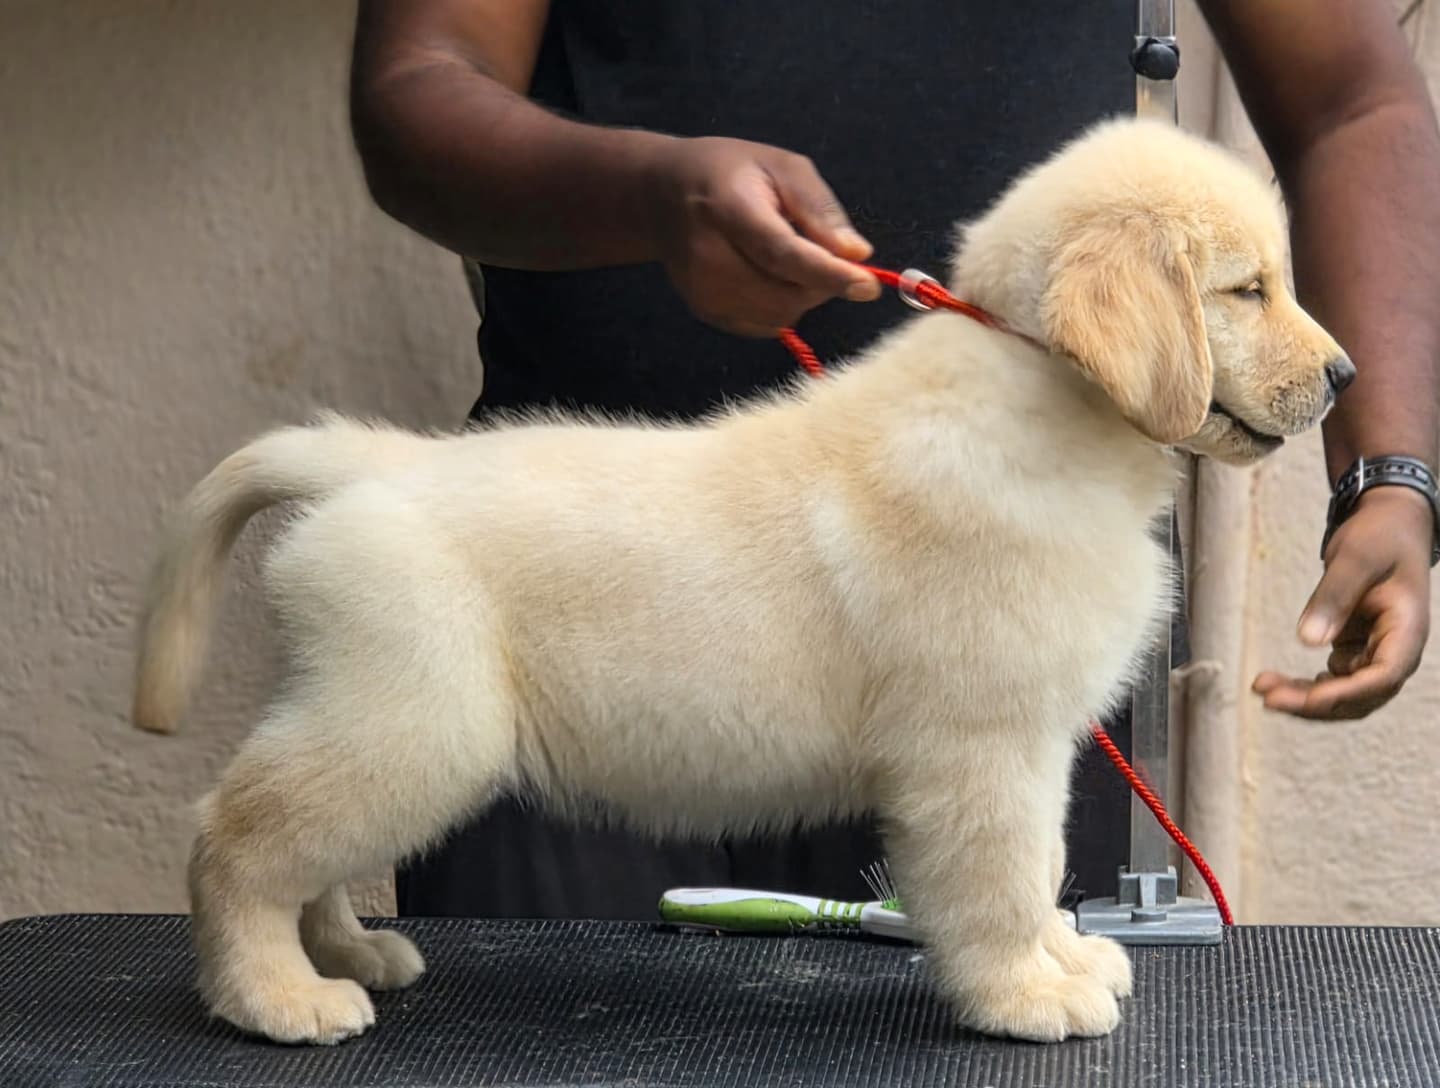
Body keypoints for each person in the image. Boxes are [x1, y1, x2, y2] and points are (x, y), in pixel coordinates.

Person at [347, 0, 1440, 919]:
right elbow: (418, 82)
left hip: (1018, 587)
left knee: (1007, 1021)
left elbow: (1351, 100)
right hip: (581, 586)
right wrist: (643, 192)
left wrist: (1391, 477)